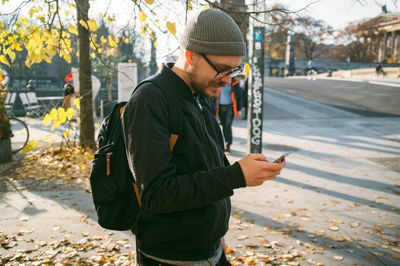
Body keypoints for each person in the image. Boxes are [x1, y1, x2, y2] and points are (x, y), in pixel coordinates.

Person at [122, 9, 285, 265]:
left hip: (210, 249)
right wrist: (236, 176)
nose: (228, 80)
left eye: (235, 70)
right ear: (190, 55)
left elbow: (206, 168)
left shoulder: (200, 94)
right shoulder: (150, 100)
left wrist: (216, 232)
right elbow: (156, 194)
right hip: (172, 258)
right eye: (222, 69)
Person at [216, 76, 243, 152]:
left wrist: (239, 109)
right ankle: (224, 142)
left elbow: (239, 95)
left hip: (230, 108)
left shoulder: (234, 82)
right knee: (223, 126)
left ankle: (228, 144)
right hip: (220, 108)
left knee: (227, 125)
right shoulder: (218, 81)